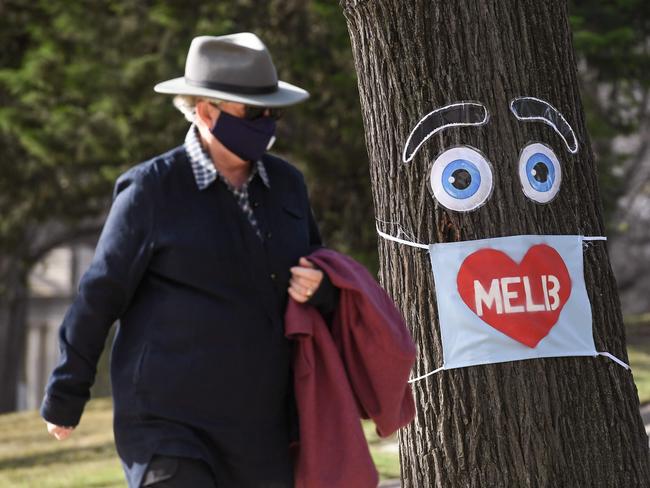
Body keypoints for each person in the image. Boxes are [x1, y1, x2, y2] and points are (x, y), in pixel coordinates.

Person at [40, 32, 339, 488]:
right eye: (252, 113)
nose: (267, 123)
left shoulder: (287, 185)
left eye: (272, 111)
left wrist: (323, 291)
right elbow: (99, 295)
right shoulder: (150, 191)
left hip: (261, 428)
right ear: (205, 112)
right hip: (168, 424)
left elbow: (320, 272)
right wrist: (66, 393)